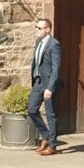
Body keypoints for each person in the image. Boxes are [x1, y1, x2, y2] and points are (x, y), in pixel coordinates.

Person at [26, 16, 62, 155]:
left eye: (39, 28)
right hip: (38, 82)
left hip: (48, 84)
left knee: (50, 114)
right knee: (32, 110)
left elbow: (56, 67)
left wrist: (50, 88)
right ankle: (46, 136)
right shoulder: (39, 41)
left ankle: (52, 146)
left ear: (47, 29)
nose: (36, 30)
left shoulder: (54, 44)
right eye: (36, 27)